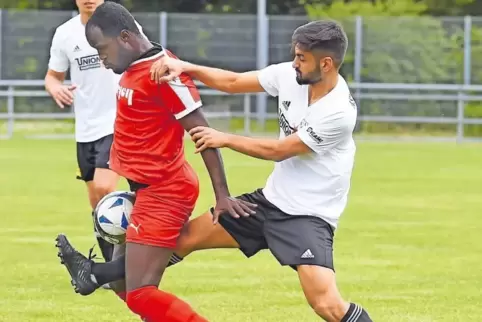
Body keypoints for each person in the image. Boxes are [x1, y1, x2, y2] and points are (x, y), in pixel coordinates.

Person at [55, 18, 373, 322]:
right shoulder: (291, 77)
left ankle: (96, 275)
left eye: (301, 58)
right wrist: (186, 67)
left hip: (307, 217)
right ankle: (95, 275)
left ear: (326, 64)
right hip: (267, 202)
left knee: (327, 305)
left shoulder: (338, 112)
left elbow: (279, 151)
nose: (294, 63)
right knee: (178, 242)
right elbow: (233, 82)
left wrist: (224, 138)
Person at [55, 2, 255, 322]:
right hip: (143, 192)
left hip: (165, 192)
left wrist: (222, 195)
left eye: (102, 51)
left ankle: (93, 273)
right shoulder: (135, 63)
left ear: (124, 38)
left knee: (141, 294)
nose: (102, 61)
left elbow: (202, 133)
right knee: (126, 287)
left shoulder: (164, 73)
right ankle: (94, 274)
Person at [45, 0, 145, 265]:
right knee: (97, 202)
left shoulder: (124, 24)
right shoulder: (65, 33)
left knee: (105, 189)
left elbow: (145, 58)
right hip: (86, 129)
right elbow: (53, 76)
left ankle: (133, 257)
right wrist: (55, 87)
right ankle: (114, 268)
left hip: (118, 122)